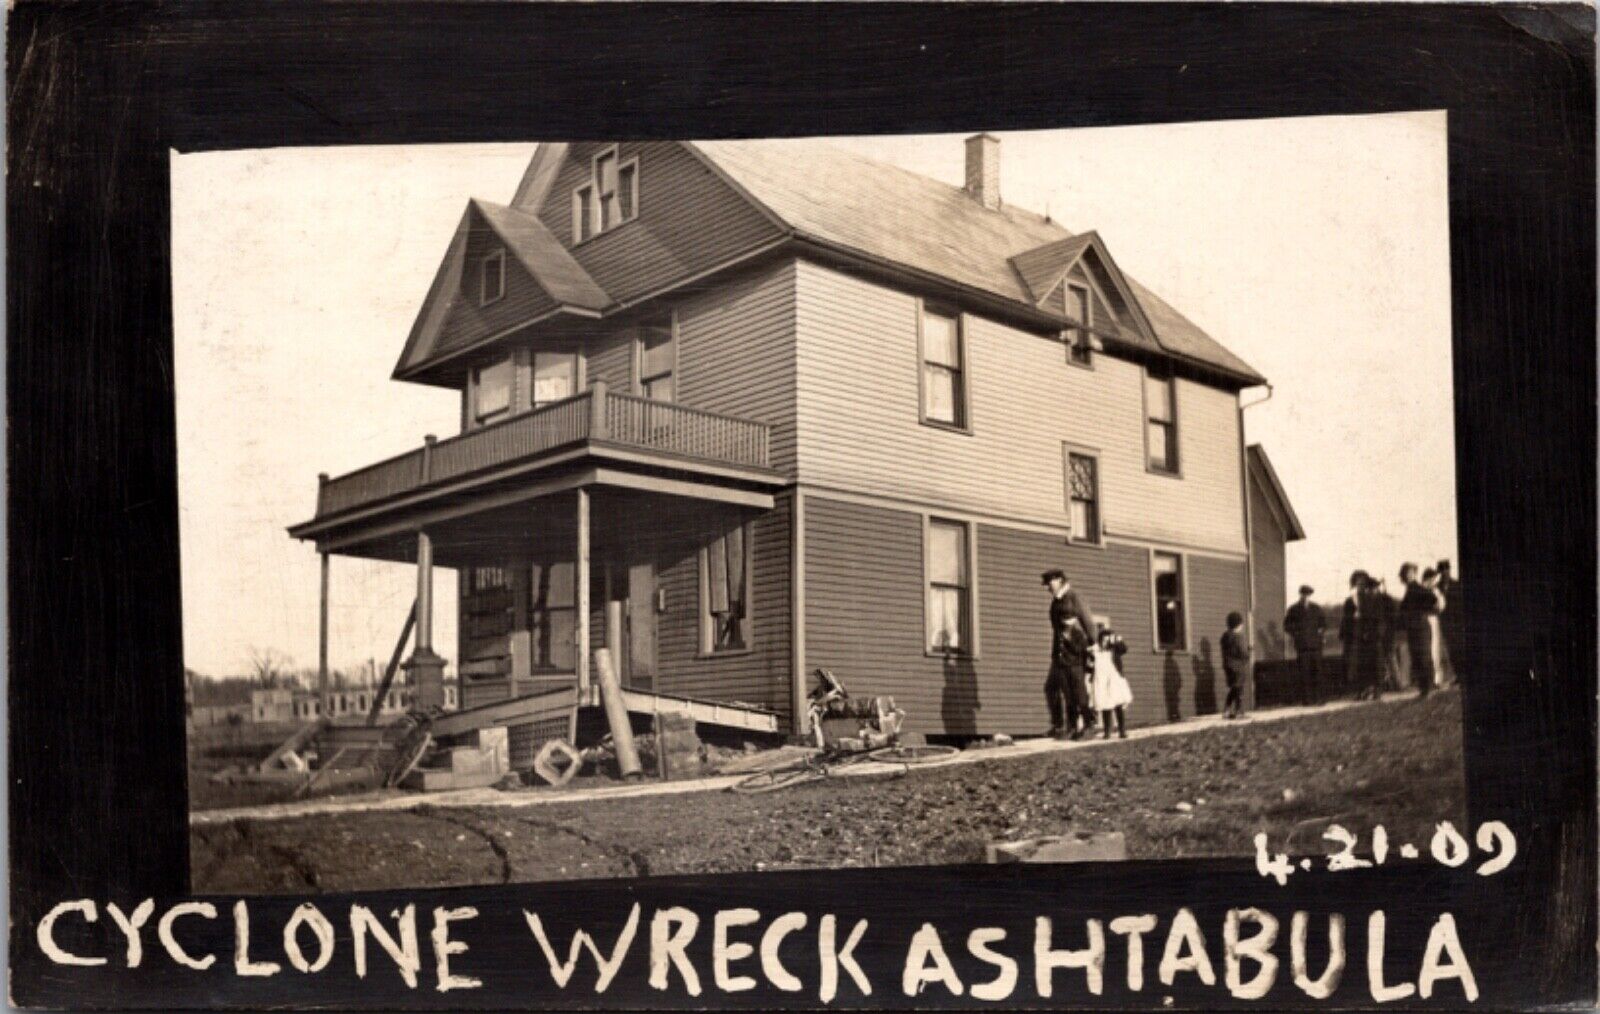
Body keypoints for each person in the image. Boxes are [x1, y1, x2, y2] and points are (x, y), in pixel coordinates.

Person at [1042, 568, 1097, 740]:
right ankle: (1070, 727)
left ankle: (1089, 726)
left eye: (1050, 583)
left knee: (1078, 690)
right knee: (1061, 689)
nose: (1048, 588)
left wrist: (1092, 645)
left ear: (1059, 580)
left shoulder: (1074, 597)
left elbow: (1088, 622)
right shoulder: (1056, 602)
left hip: (1075, 651)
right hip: (1060, 653)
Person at [1399, 563, 1443, 698]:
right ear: (1403, 576)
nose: (1409, 575)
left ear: (1414, 574)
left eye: (1411, 572)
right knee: (1417, 658)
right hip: (1413, 628)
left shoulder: (1417, 588)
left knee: (1423, 657)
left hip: (1421, 627)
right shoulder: (1409, 589)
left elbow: (1434, 600)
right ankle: (1423, 689)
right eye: (1406, 573)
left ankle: (1428, 688)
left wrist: (1423, 611)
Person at [1283, 585, 1327, 705]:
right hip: (1302, 647)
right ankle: (1307, 700)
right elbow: (1287, 626)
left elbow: (1323, 624)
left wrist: (1321, 632)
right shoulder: (1293, 609)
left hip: (1316, 647)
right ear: (1300, 595)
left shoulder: (1316, 608)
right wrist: (1296, 633)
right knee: (1304, 673)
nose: (1306, 597)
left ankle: (1319, 698)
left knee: (1317, 672)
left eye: (1308, 595)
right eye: (1304, 594)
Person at [1089, 624, 1132, 739]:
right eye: (1104, 638)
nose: (1105, 641)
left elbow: (1124, 649)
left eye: (1108, 638)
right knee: (1105, 705)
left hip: (1114, 678)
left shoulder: (1114, 649)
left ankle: (1122, 731)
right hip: (1101, 680)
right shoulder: (1095, 650)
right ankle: (1107, 731)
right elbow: (1090, 664)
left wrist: (1118, 640)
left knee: (1118, 704)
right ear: (1100, 639)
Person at [1338, 570, 1367, 697]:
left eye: (1362, 584)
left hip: (1365, 636)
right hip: (1352, 637)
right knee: (1353, 664)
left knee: (1365, 663)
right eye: (1357, 584)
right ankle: (1356, 690)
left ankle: (1365, 689)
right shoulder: (1349, 601)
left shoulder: (1368, 599)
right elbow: (1345, 618)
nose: (1359, 586)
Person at [1220, 611, 1251, 719]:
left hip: (1228, 665)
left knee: (1233, 688)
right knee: (1238, 688)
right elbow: (1242, 652)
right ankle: (1238, 711)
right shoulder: (1239, 637)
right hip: (1238, 666)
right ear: (1238, 624)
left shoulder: (1225, 637)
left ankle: (1227, 710)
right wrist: (1248, 653)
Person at [1435, 559, 1461, 685]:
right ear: (1440, 572)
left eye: (1447, 569)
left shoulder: (1457, 584)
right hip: (1445, 623)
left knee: (1460, 648)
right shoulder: (1437, 587)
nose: (1445, 572)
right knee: (1452, 650)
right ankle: (1458, 674)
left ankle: (1465, 674)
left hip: (1458, 622)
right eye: (1443, 570)